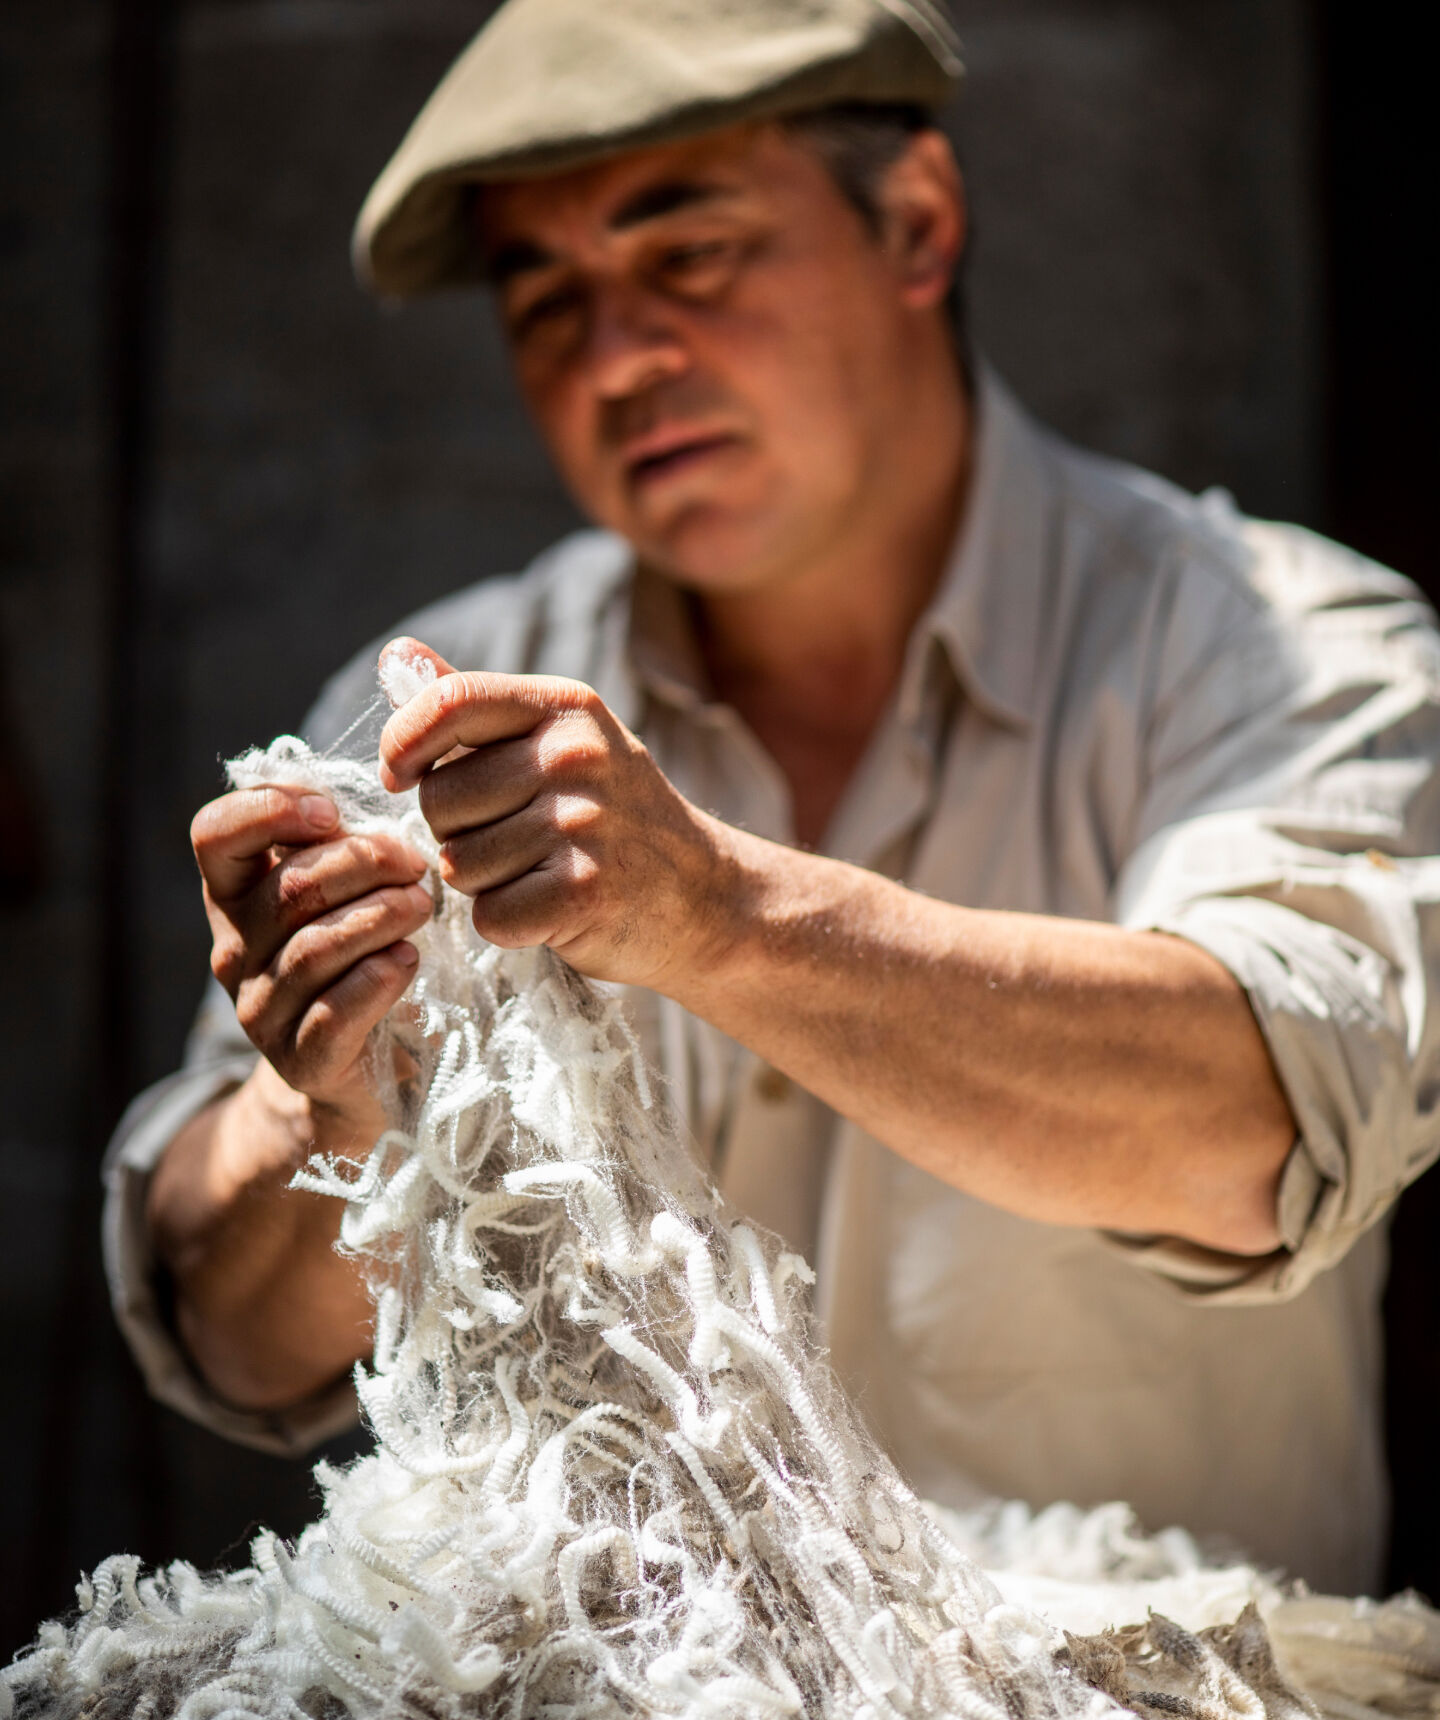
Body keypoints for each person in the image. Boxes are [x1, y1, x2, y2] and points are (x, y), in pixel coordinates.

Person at [104, 0, 1440, 1598]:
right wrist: (317, 1113)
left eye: (692, 255)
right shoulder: (441, 711)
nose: (619, 358)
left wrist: (724, 916)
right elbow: (234, 1345)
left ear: (919, 225)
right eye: (546, 299)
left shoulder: (1287, 641)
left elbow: (1268, 1119)